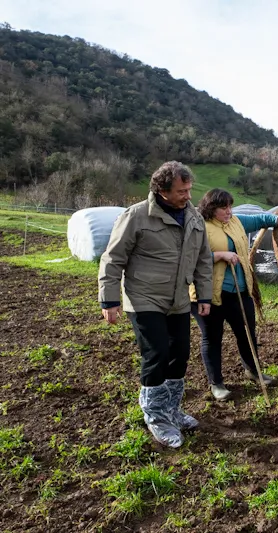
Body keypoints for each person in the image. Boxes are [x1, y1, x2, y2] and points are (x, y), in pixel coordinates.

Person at [98, 161, 213, 448]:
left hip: (178, 299)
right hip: (143, 297)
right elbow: (113, 258)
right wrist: (109, 299)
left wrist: (205, 295)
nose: (187, 195)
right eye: (181, 191)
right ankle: (156, 416)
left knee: (180, 354)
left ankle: (172, 410)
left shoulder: (195, 218)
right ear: (161, 191)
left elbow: (203, 260)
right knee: (157, 353)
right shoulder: (136, 216)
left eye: (189, 189)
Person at [191, 188, 278, 401]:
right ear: (211, 208)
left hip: (240, 290)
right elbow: (188, 258)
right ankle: (216, 383)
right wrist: (218, 255)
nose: (228, 211)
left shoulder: (236, 221)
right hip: (209, 294)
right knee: (212, 338)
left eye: (229, 206)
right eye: (223, 208)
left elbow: (262, 219)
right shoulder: (199, 227)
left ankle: (253, 371)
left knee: (246, 333)